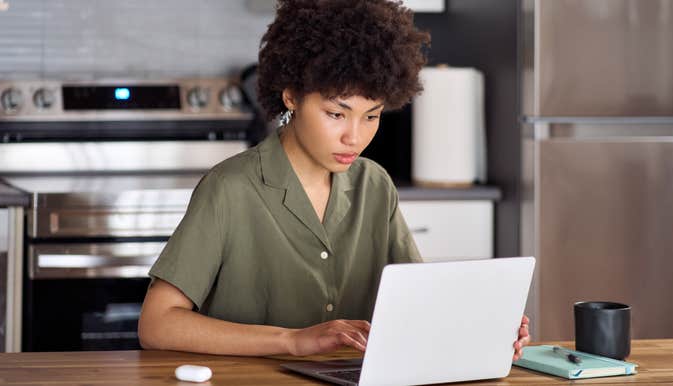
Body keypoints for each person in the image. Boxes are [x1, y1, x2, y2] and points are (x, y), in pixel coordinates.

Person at [138, 0, 530, 359]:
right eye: (336, 114)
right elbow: (157, 323)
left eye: (371, 116)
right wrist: (290, 340)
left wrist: (485, 328)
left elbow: (420, 304)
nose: (354, 137)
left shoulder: (374, 186)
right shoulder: (230, 188)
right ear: (291, 97)